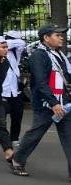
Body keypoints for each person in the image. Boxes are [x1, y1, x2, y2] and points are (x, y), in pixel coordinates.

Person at [8, 25, 71, 177]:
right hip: (46, 103)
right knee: (36, 133)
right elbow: (41, 82)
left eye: (62, 35)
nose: (62, 37)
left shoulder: (59, 55)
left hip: (64, 102)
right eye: (57, 35)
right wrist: (53, 103)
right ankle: (17, 159)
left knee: (69, 136)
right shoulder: (39, 55)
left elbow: (66, 77)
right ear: (46, 38)